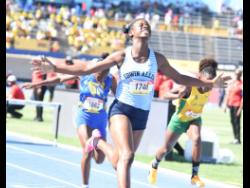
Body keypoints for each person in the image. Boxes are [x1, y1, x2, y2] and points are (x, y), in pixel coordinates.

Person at [31, 18, 230, 188]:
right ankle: (99, 144)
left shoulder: (157, 59)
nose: (144, 26)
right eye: (140, 25)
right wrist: (54, 66)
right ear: (132, 33)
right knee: (126, 155)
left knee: (120, 161)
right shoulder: (122, 56)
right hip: (121, 109)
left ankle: (97, 142)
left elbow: (180, 78)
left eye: (147, 25)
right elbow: (86, 70)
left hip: (141, 114)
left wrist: (210, 83)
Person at [23, 53, 117, 188]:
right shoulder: (84, 73)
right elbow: (60, 79)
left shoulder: (110, 79)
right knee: (87, 151)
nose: (99, 78)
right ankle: (85, 185)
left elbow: (119, 96)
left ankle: (96, 141)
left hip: (100, 118)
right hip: (84, 116)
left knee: (99, 159)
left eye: (103, 75)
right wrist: (38, 83)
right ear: (94, 69)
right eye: (98, 74)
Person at [224, 68, 243, 144]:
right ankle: (235, 138)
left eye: (239, 74)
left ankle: (238, 139)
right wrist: (225, 105)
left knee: (237, 122)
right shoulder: (232, 83)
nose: (237, 75)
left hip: (237, 105)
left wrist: (240, 109)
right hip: (231, 105)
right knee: (232, 121)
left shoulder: (241, 84)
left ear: (240, 75)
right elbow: (228, 94)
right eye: (236, 74)